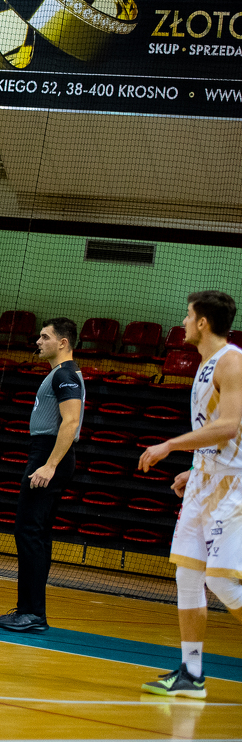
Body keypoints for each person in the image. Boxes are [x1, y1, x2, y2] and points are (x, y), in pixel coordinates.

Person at [136, 290, 242, 699]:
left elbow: (229, 425)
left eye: (187, 315)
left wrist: (170, 445)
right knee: (188, 576)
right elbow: (213, 433)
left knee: (223, 582)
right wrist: (195, 467)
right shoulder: (204, 363)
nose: (182, 322)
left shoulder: (231, 360)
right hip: (205, 480)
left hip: (232, 485)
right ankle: (191, 674)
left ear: (202, 322)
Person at [0, 317, 84, 633]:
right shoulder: (61, 374)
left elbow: (71, 422)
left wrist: (50, 464)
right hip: (46, 452)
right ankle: (31, 611)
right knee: (36, 533)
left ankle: (31, 613)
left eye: (45, 337)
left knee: (28, 531)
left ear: (63, 343)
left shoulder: (65, 375)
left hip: (49, 454)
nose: (38, 342)